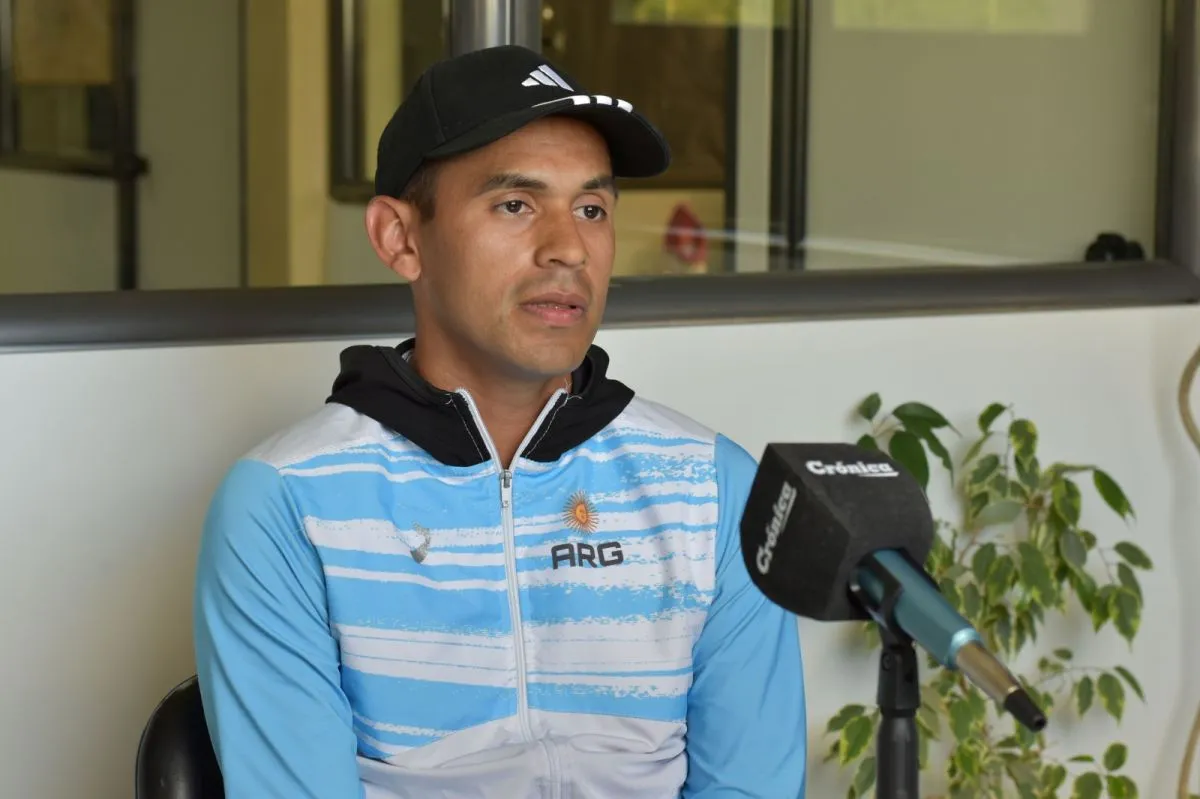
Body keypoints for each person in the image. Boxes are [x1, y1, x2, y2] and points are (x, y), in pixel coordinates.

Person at [193, 44, 807, 798]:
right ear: (400, 238)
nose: (568, 248)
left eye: (591, 209)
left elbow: (751, 785)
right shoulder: (286, 501)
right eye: (515, 204)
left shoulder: (712, 486)